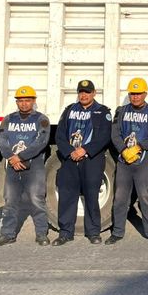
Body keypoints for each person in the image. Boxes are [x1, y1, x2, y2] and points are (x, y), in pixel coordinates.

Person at [53, 80, 112, 246]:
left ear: (94, 93)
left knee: (92, 196)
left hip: (91, 160)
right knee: (67, 196)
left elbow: (104, 136)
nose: (83, 95)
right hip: (70, 159)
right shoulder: (70, 110)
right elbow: (59, 135)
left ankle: (93, 232)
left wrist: (84, 150)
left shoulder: (102, 111)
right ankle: (65, 232)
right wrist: (70, 152)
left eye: (87, 92)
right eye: (81, 92)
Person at [106, 77, 148, 245]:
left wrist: (139, 147)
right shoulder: (121, 111)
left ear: (145, 94)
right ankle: (117, 232)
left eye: (139, 94)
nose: (135, 97)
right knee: (120, 198)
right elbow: (115, 133)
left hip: (144, 162)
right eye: (132, 94)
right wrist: (123, 150)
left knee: (146, 197)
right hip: (124, 162)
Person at [0, 85, 51, 247]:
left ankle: (41, 234)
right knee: (10, 200)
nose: (24, 103)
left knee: (36, 199)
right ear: (16, 102)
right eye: (20, 101)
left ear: (33, 101)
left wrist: (21, 157)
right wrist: (12, 157)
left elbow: (41, 142)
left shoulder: (41, 119)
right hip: (13, 165)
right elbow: (2, 141)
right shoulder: (8, 119)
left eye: (27, 100)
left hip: (34, 167)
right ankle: (7, 234)